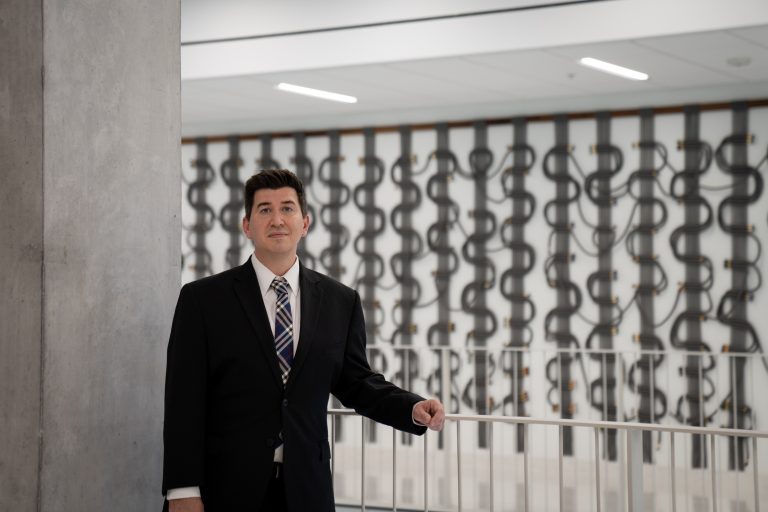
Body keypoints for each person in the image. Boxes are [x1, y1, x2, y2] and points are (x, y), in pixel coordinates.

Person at [162, 169, 445, 512]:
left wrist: (410, 407)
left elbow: (356, 382)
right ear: (247, 225)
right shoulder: (203, 300)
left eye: (287, 208)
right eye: (264, 209)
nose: (277, 219)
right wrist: (181, 489)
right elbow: (184, 401)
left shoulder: (341, 301)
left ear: (305, 223)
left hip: (307, 488)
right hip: (224, 488)